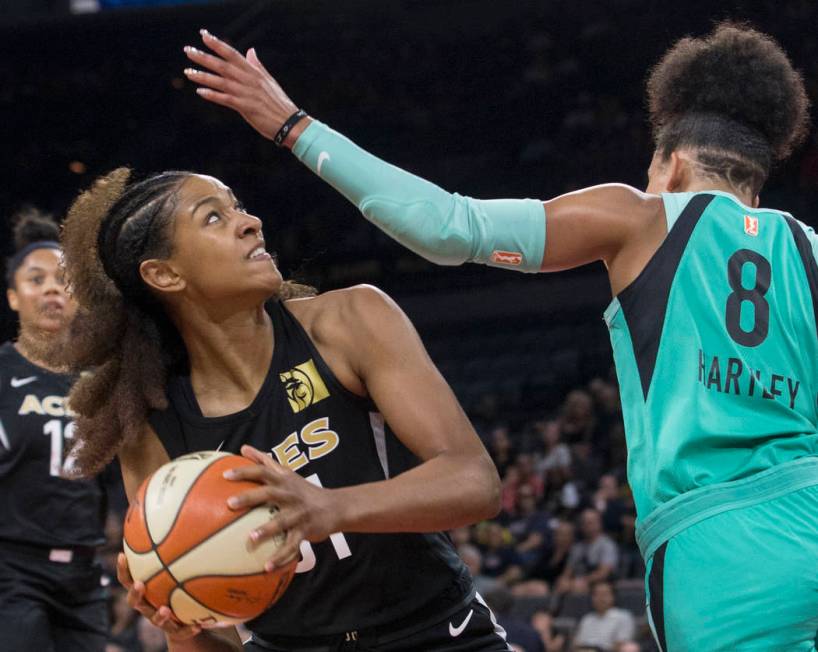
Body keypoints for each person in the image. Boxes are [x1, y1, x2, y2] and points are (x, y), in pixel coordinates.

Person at [183, 22, 817, 650]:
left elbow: (446, 226)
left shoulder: (643, 216)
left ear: (671, 164)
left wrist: (292, 125)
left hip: (717, 549)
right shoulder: (809, 250)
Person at [51, 166, 508, 652]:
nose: (250, 222)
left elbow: (475, 482)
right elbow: (216, 640)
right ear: (164, 274)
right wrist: (179, 625)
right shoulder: (153, 429)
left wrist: (333, 508)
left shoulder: (349, 321)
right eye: (213, 218)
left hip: (437, 631)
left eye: (239, 207)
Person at [0, 210, 108, 651]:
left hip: (85, 577)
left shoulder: (102, 380)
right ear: (12, 297)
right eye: (35, 278)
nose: (51, 288)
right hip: (12, 570)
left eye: (62, 279)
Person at [572, 582, 635, 652]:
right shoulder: (587, 618)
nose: (600, 598)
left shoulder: (623, 616)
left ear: (613, 597)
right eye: (596, 594)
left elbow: (621, 644)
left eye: (604, 594)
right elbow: (577, 644)